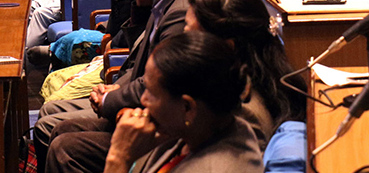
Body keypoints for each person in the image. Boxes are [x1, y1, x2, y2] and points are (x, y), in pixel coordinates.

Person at [35, 0, 201, 173]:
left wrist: (110, 100)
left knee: (64, 146)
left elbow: (160, 83)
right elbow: (136, 64)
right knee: (59, 128)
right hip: (136, 101)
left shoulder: (182, 12)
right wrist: (113, 88)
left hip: (160, 127)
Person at [101, 32, 262, 173]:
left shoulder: (216, 167)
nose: (143, 99)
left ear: (187, 108)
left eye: (150, 92)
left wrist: (119, 158)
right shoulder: (198, 129)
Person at [185, 0, 306, 143]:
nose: (183, 38)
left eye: (190, 32)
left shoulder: (243, 116)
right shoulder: (259, 81)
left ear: (227, 46)